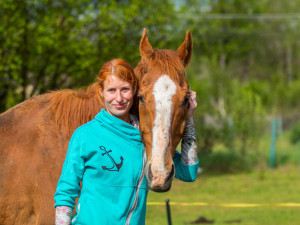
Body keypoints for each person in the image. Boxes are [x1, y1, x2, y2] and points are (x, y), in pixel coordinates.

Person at [54, 58, 199, 225]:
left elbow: (188, 172)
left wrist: (188, 120)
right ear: (101, 92)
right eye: (111, 90)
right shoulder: (85, 135)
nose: (119, 98)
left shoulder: (145, 138)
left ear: (135, 90)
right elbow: (66, 192)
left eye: (125, 89)